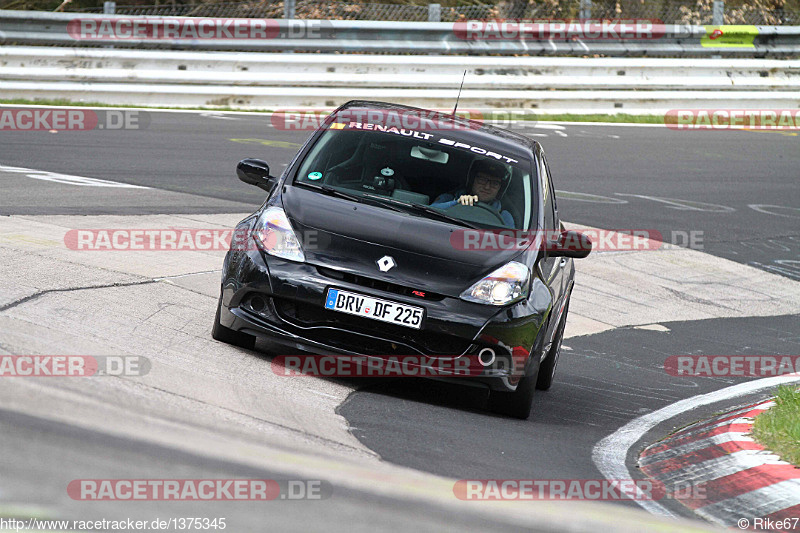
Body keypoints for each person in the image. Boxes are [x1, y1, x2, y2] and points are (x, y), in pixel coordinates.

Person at [430, 159, 514, 227]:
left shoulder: (504, 216)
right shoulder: (448, 198)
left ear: (500, 189)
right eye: (482, 180)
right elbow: (429, 213)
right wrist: (456, 203)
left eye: (495, 183)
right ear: (472, 181)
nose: (487, 187)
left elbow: (510, 241)